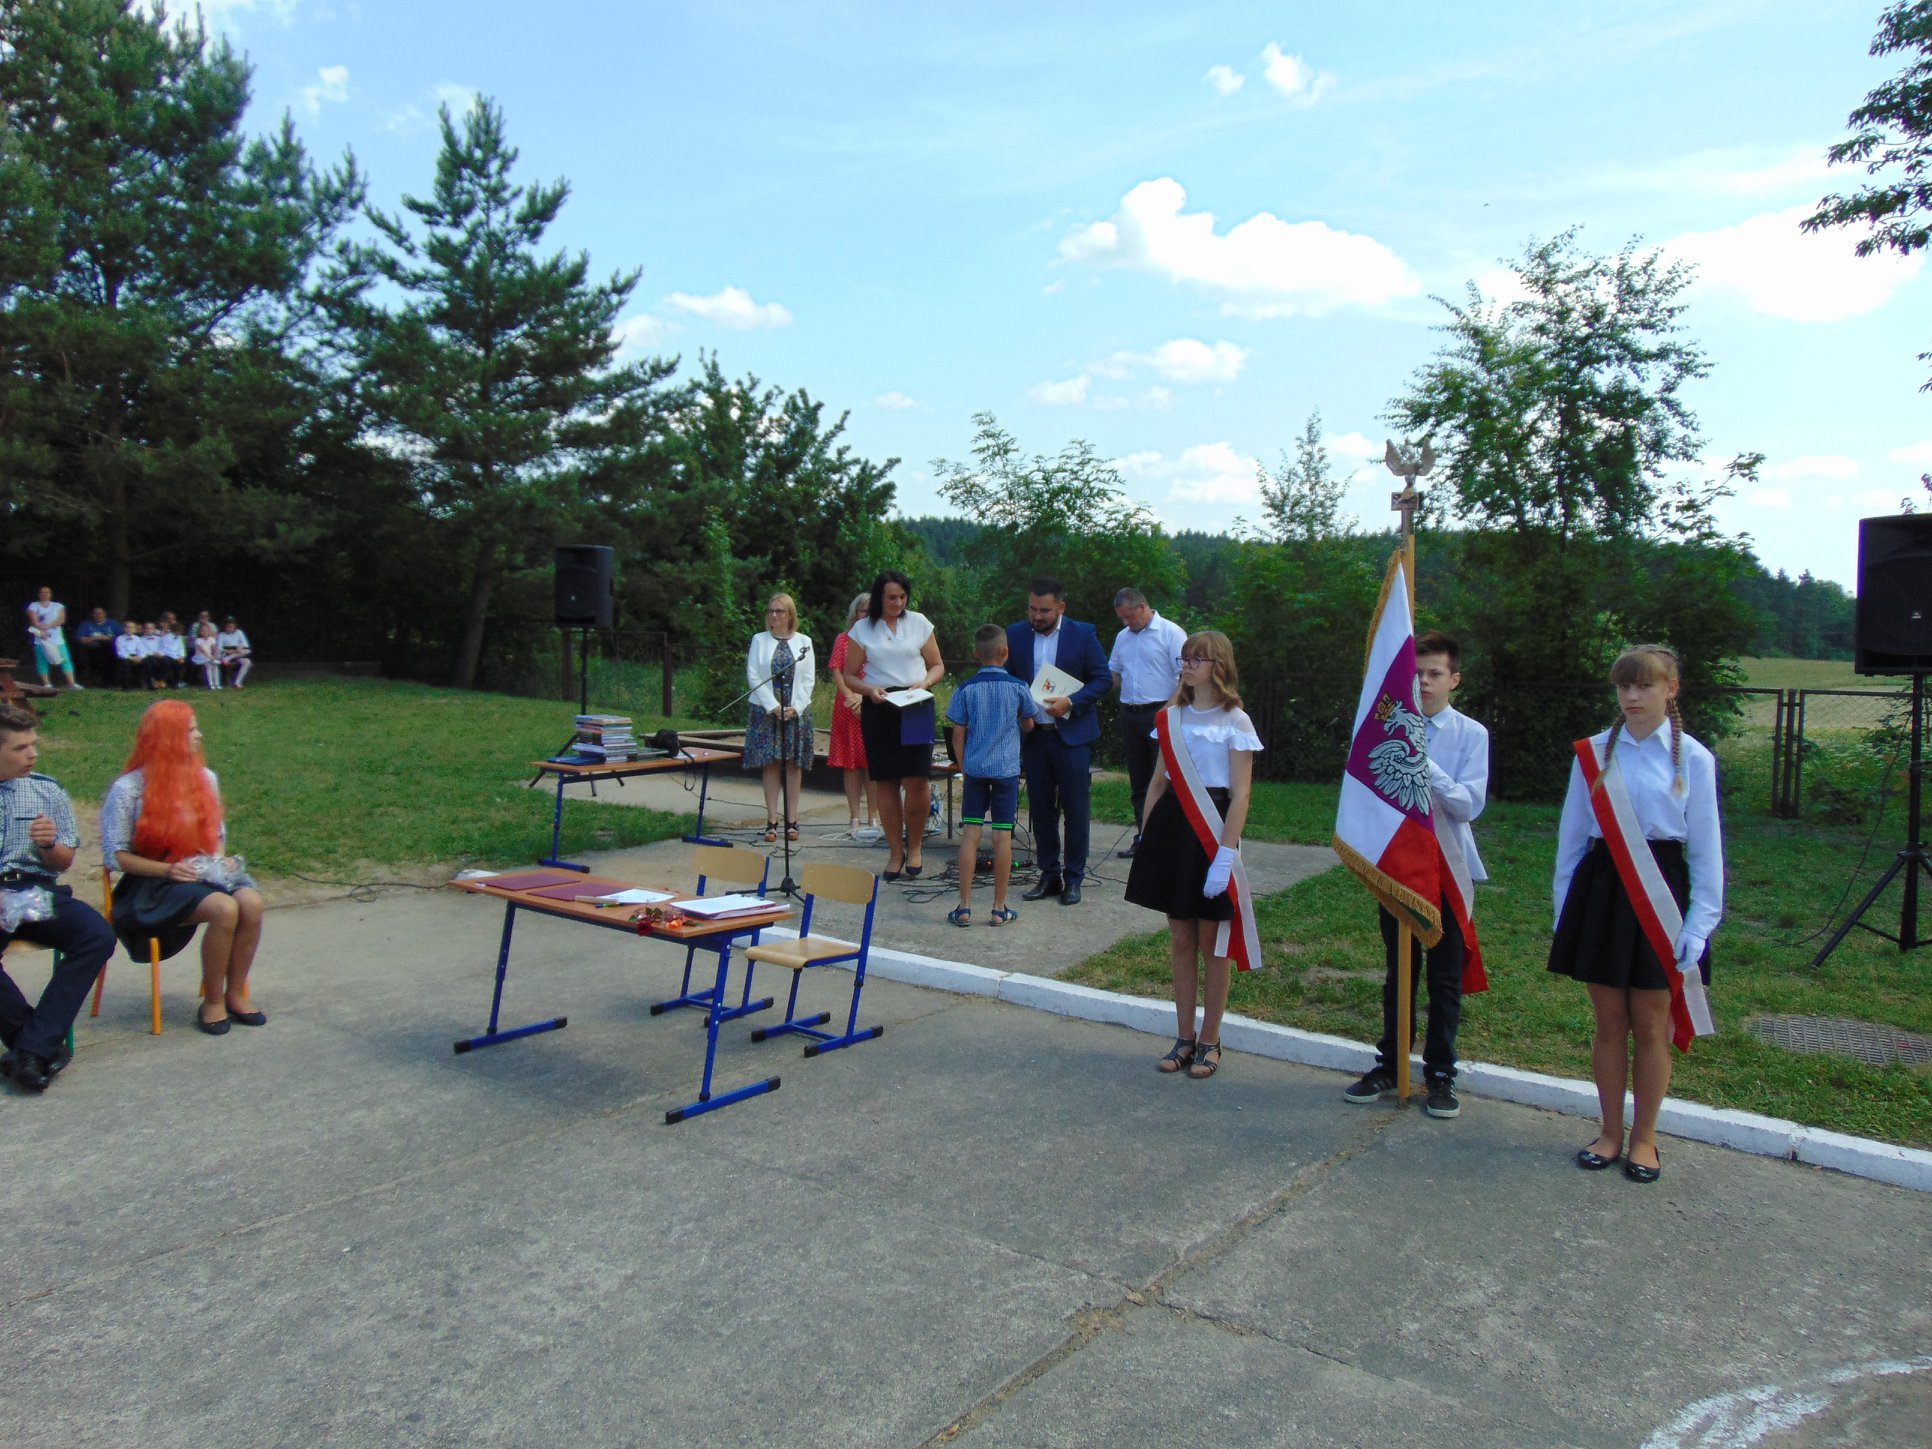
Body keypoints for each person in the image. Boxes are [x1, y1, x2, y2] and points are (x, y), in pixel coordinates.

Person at [1549, 644, 1722, 1184]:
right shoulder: (1593, 753)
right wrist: (1564, 912)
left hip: (1661, 891)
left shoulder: (1693, 759)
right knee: (1608, 1021)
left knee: (1651, 1023)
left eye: (1644, 685)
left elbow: (1706, 850)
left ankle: (1644, 1137)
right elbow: (1571, 839)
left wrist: (1700, 923)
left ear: (1671, 689)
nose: (1632, 696)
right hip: (1602, 891)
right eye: (1624, 686)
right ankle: (1608, 1132)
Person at [1343, 630, 1489, 1119]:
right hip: (1400, 864)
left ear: (1454, 679)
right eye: (1417, 673)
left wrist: (1422, 763)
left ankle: (1441, 1072)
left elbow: (1468, 805)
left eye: (1435, 674)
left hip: (1447, 867)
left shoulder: (1471, 734)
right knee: (1399, 970)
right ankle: (1391, 1063)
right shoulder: (1389, 727)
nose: (1424, 682)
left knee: (1444, 976)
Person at [1124, 632, 1262, 1080]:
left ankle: (1210, 1039)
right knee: (1181, 938)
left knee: (1212, 942)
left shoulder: (1236, 720)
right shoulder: (1171, 717)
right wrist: (1146, 836)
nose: (1186, 665)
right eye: (1184, 658)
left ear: (1218, 665)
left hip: (1213, 831)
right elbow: (1158, 783)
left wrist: (1225, 855)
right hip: (1172, 830)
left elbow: (1241, 795)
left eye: (1196, 659)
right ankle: (1184, 1037)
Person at [100, 700, 268, 1035]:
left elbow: (216, 834)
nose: (199, 736)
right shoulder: (129, 789)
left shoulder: (206, 778)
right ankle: (213, 1001)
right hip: (151, 883)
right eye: (190, 730)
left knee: (251, 902)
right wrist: (167, 870)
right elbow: (114, 856)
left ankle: (236, 993)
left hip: (200, 872)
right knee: (224, 909)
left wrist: (219, 861)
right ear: (167, 737)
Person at [0, 702, 118, 1093]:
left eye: (33, 745)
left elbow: (64, 861)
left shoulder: (46, 791)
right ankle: (35, 1048)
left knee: (96, 935)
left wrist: (48, 845)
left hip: (35, 889)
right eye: (20, 748)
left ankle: (29, 1048)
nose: (32, 754)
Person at [1005, 578, 1109, 906]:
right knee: (1040, 808)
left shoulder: (1083, 634)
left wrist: (1072, 702)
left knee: (1075, 809)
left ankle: (1074, 878)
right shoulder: (1015, 634)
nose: (1037, 616)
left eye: (1044, 611)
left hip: (1072, 737)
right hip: (1035, 735)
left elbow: (1103, 679)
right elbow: (1008, 677)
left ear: (1061, 607)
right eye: (1032, 609)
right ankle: (1049, 874)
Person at [842, 570, 945, 881]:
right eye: (891, 598)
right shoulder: (863, 629)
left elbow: (937, 665)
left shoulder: (919, 623)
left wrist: (924, 683)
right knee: (885, 780)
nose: (897, 603)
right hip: (880, 704)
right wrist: (869, 690)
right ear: (879, 598)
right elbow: (849, 675)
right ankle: (895, 851)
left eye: (902, 597)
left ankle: (915, 846)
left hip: (915, 703)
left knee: (916, 779)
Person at [945, 625, 1040, 928]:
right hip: (1006, 771)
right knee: (1001, 837)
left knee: (970, 835)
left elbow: (958, 732)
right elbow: (1029, 724)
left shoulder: (965, 689)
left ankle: (964, 906)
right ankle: (999, 908)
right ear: (1005, 652)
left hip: (975, 770)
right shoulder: (1018, 687)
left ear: (976, 653)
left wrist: (963, 766)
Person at [1109, 587, 1188, 859]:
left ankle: (1164, 841)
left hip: (1160, 710)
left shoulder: (1171, 633)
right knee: (1139, 779)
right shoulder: (1123, 637)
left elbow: (1185, 675)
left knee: (1163, 779)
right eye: (1122, 618)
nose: (1126, 622)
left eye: (1130, 616)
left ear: (1143, 607)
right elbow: (1114, 674)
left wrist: (1169, 707)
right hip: (1130, 713)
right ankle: (1143, 837)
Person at [743, 592, 815, 843]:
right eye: (771, 611)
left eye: (779, 611)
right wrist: (773, 706)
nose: (774, 615)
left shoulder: (804, 641)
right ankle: (772, 820)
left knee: (793, 763)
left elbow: (809, 679)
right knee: (771, 762)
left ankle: (792, 820)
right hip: (766, 709)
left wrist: (796, 707)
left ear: (790, 615)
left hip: (795, 710)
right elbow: (754, 675)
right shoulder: (759, 640)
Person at [826, 592, 879, 840]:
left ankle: (873, 816)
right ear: (855, 613)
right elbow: (836, 669)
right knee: (850, 765)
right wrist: (850, 696)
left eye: (871, 611)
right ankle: (854, 816)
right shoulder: (843, 639)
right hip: (847, 707)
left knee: (872, 764)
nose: (866, 615)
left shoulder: (880, 640)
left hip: (872, 702)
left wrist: (863, 697)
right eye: (863, 611)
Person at [24, 586, 81, 691]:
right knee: (41, 660)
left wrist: (47, 626)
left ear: (50, 594)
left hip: (57, 638)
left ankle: (71, 683)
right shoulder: (34, 605)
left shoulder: (58, 606)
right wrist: (41, 630)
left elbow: (61, 620)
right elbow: (34, 620)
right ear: (39, 594)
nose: (45, 594)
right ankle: (47, 684)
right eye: (42, 592)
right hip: (40, 637)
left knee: (65, 659)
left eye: (47, 592)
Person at [73, 606, 120, 687]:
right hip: (90, 650)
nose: (98, 615)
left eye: (100, 613)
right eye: (95, 613)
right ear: (92, 615)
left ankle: (109, 682)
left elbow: (120, 637)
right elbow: (81, 639)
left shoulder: (113, 623)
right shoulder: (86, 624)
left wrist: (103, 638)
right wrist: (96, 637)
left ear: (104, 614)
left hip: (110, 650)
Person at [216, 617, 252, 688]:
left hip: (237, 653)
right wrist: (228, 651)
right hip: (226, 652)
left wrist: (240, 647)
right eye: (228, 627)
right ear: (224, 627)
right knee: (241, 654)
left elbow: (245, 644)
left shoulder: (239, 632)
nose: (230, 629)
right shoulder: (221, 635)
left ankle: (237, 682)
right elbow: (219, 648)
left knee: (247, 661)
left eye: (232, 627)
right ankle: (227, 658)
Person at [113, 620, 146, 691]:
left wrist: (140, 657)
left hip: (136, 656)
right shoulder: (120, 639)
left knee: (146, 662)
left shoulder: (138, 639)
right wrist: (131, 658)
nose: (129, 629)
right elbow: (120, 653)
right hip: (124, 657)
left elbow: (142, 650)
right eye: (127, 627)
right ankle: (126, 686)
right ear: (124, 629)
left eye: (131, 627)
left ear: (135, 629)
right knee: (126, 664)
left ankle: (142, 684)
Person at [153, 621, 187, 688]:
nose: (180, 633)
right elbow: (166, 650)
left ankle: (177, 682)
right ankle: (160, 681)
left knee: (181, 664)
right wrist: (176, 658)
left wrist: (181, 657)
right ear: (174, 631)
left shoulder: (179, 638)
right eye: (179, 631)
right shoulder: (166, 638)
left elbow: (181, 648)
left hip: (175, 657)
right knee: (168, 662)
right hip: (166, 655)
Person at [191, 622, 223, 689]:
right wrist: (210, 657)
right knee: (208, 664)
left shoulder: (212, 639)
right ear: (200, 632)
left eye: (207, 630)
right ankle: (211, 684)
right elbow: (202, 651)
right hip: (199, 657)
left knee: (215, 665)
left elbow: (214, 649)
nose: (205, 632)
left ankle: (217, 684)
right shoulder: (198, 640)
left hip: (210, 657)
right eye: (203, 631)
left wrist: (214, 656)